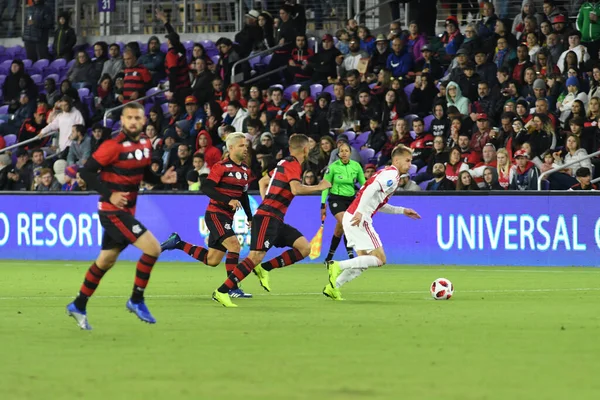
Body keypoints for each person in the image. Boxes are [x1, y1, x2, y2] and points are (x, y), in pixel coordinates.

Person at [66, 102, 177, 330]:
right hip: (112, 211)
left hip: (127, 210)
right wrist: (111, 194)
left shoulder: (146, 143)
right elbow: (86, 171)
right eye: (129, 118)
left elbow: (144, 171)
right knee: (153, 248)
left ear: (144, 120)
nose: (134, 122)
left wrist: (159, 180)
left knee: (105, 261)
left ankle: (78, 304)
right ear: (123, 121)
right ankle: (136, 299)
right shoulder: (112, 146)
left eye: (138, 118)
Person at [212, 134, 331, 308]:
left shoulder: (282, 164)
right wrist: (320, 187)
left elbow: (263, 181)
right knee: (254, 256)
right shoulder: (292, 165)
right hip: (268, 217)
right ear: (305, 149)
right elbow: (296, 189)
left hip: (275, 218)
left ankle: (264, 268)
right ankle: (222, 291)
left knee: (305, 248)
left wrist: (266, 200)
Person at [160, 133, 255, 299]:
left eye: (246, 146)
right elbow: (207, 188)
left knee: (212, 260)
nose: (245, 148)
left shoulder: (246, 171)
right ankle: (230, 288)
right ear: (231, 148)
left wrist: (249, 216)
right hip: (216, 214)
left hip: (227, 217)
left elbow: (244, 196)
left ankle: (177, 242)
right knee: (234, 246)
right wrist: (228, 200)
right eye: (241, 145)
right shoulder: (221, 167)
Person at [323, 146, 421, 301]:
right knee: (380, 259)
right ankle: (337, 265)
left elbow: (378, 204)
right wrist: (361, 211)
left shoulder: (386, 173)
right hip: (359, 219)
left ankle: (333, 287)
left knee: (363, 262)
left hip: (352, 217)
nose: (410, 165)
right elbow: (371, 190)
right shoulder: (392, 175)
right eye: (407, 160)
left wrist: (402, 210)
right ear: (396, 160)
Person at [320, 142, 366, 264]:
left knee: (339, 230)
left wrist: (369, 196)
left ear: (350, 153)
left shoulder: (356, 166)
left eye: (346, 151)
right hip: (336, 199)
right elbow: (325, 186)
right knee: (347, 223)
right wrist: (322, 203)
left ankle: (329, 257)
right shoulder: (333, 167)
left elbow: (363, 184)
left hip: (351, 200)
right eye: (342, 151)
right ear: (338, 153)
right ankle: (351, 256)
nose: (344, 153)